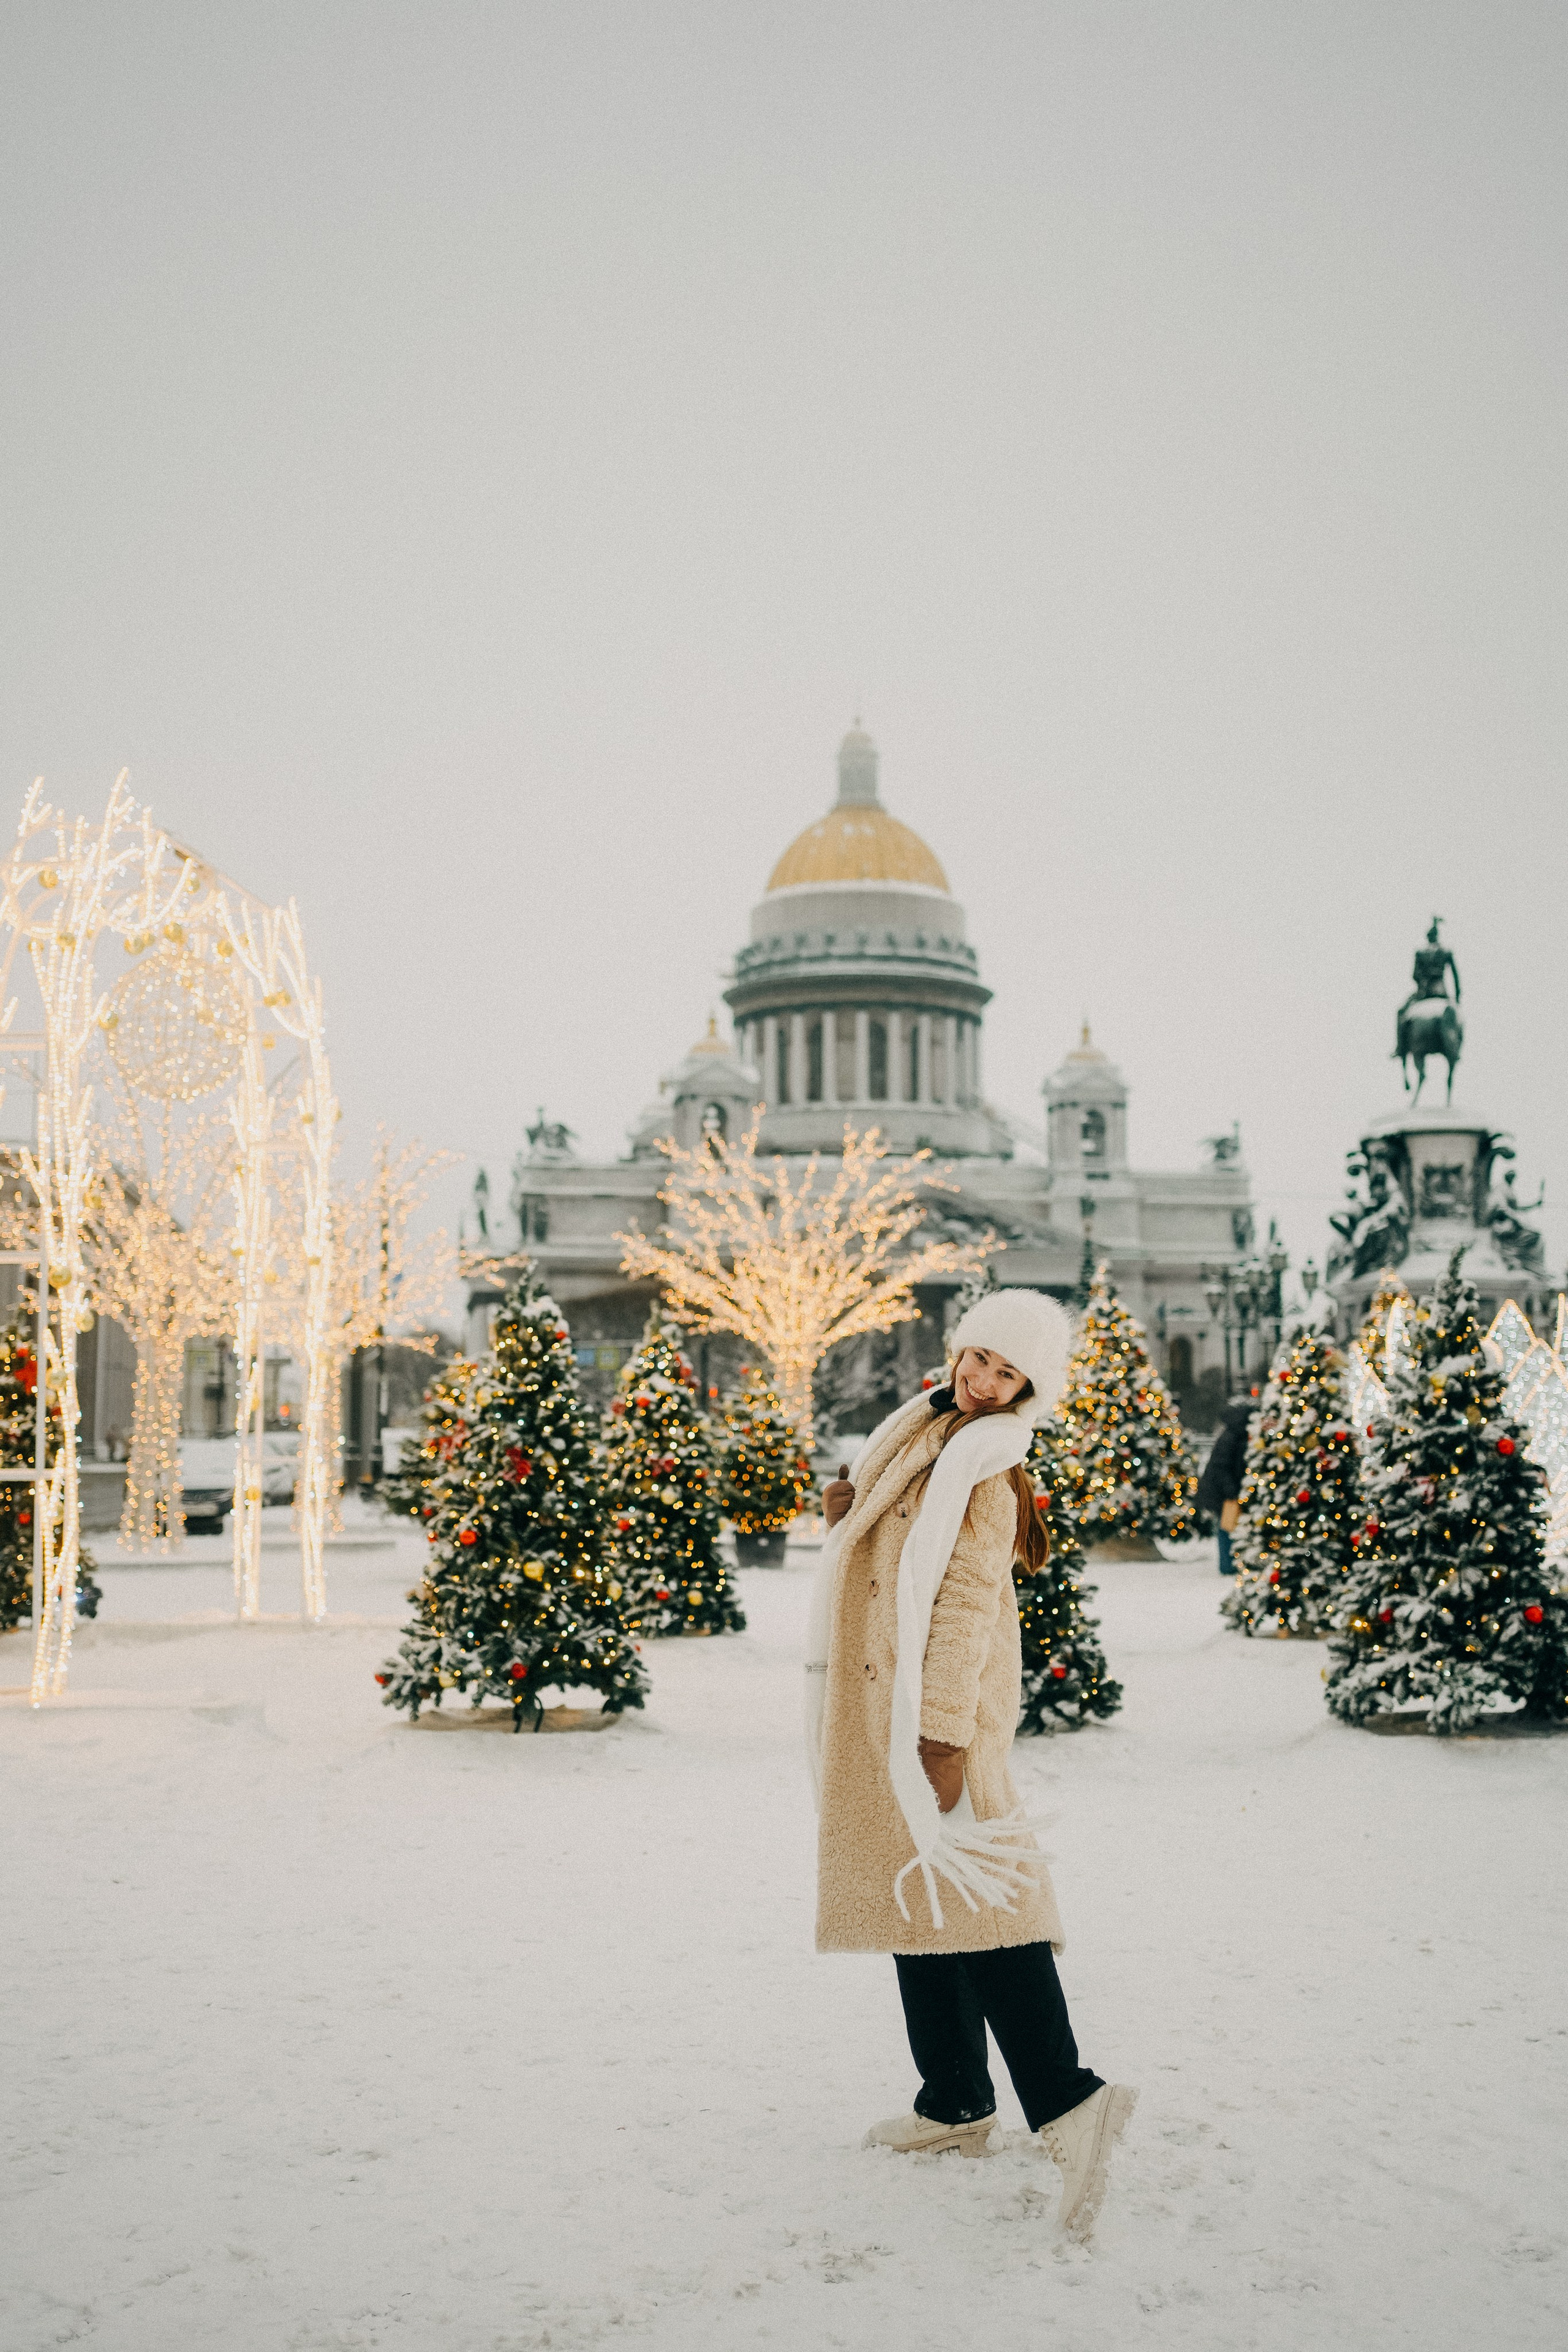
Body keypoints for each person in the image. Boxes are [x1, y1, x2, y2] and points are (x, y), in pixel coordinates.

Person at [805, 1288, 1136, 2242]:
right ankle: (953, 2102)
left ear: (1030, 1388)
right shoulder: (926, 1427)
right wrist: (851, 1513)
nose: (983, 1382)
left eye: (1007, 1374)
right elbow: (894, 1542)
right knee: (916, 1887)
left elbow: (964, 1607)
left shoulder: (989, 1467)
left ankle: (1072, 2102)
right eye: (978, 1359)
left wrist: (942, 1736)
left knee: (985, 1898)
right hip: (884, 1697)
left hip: (935, 1710)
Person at [1197, 1391, 1256, 1575]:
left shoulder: (1234, 1434)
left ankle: (1230, 1563)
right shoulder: (1233, 1437)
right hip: (1221, 1490)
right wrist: (1231, 1490)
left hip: (1224, 1487)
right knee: (1227, 1525)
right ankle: (1227, 1565)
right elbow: (1221, 1466)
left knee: (1228, 1525)